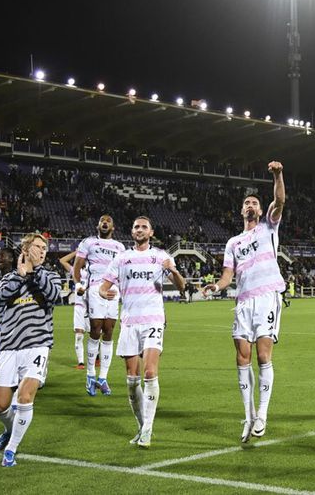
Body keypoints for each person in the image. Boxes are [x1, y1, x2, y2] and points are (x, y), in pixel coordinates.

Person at [203, 161, 286, 444]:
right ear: (241, 211)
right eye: (246, 203)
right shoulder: (233, 242)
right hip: (243, 301)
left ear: (261, 210)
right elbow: (228, 274)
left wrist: (277, 175)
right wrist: (217, 284)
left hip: (267, 297)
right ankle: (248, 415)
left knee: (263, 356)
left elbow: (280, 199)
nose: (250, 205)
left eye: (254, 202)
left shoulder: (268, 227)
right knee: (242, 358)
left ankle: (262, 413)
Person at [100, 216, 185, 448]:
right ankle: (141, 426)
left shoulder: (161, 257)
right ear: (132, 231)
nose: (139, 229)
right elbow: (103, 286)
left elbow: (182, 286)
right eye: (136, 226)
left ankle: (147, 429)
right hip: (129, 323)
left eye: (144, 227)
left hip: (153, 320)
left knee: (149, 373)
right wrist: (102, 293)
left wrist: (174, 272)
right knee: (131, 381)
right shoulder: (121, 258)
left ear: (151, 232)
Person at [0, 233, 62, 467]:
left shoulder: (49, 275)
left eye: (44, 248)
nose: (42, 251)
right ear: (25, 248)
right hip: (10, 347)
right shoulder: (7, 277)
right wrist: (20, 277)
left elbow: (54, 296)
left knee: (24, 397)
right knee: (0, 406)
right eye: (38, 247)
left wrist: (35, 272)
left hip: (38, 345)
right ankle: (10, 431)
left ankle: (11, 449)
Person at [74, 215, 126, 396]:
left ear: (113, 226)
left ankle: (103, 378)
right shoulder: (88, 243)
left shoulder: (120, 247)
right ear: (98, 225)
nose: (104, 222)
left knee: (109, 331)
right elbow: (77, 266)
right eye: (102, 220)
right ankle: (90, 375)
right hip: (95, 288)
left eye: (108, 221)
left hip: (113, 290)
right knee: (95, 329)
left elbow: (123, 271)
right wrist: (79, 285)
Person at [60, 250, 89, 369]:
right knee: (79, 335)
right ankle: (81, 362)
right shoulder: (75, 272)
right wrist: (77, 252)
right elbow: (62, 260)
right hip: (79, 306)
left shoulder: (95, 272)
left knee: (95, 334)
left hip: (91, 306)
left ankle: (96, 357)